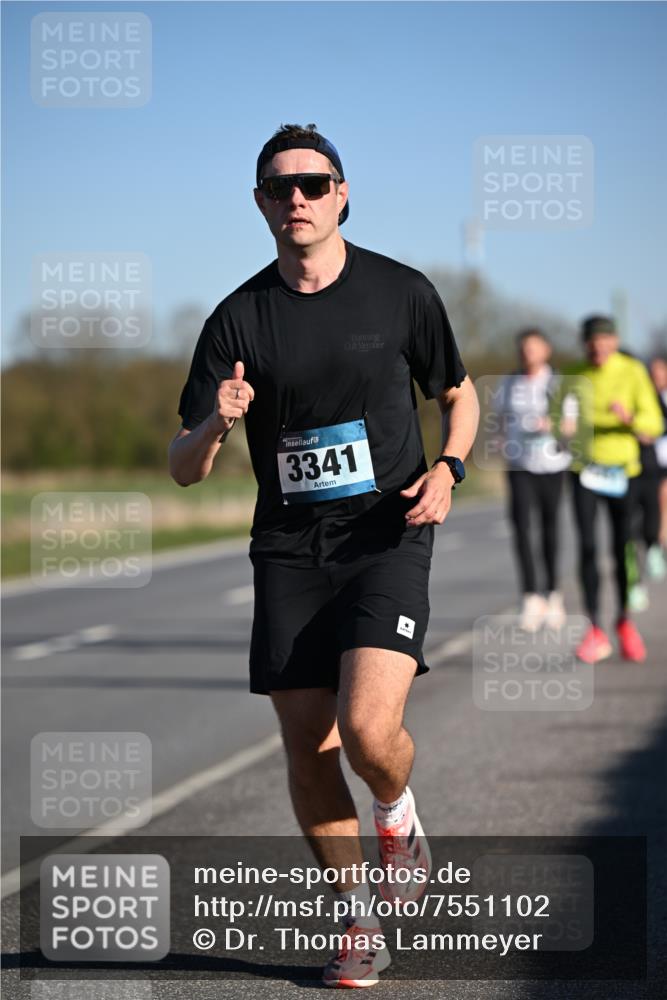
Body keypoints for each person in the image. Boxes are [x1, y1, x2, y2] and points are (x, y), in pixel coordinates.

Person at [168, 123, 479, 987]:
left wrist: (449, 468)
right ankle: (358, 917)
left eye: (313, 184)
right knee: (307, 745)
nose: (296, 200)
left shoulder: (401, 293)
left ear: (342, 192)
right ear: (261, 203)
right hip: (289, 549)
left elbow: (458, 393)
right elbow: (183, 470)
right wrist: (218, 422)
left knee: (370, 732)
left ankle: (396, 811)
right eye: (279, 188)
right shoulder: (236, 319)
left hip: (386, 535)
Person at [551, 316, 663, 663]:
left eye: (604, 341)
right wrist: (562, 428)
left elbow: (654, 423)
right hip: (585, 470)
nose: (598, 348)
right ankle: (595, 629)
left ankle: (624, 622)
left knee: (620, 548)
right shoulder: (572, 372)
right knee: (586, 546)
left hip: (622, 471)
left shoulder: (631, 371)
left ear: (614, 341)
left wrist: (628, 418)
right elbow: (555, 419)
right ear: (584, 343)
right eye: (592, 342)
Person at [493, 328, 571, 631]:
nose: (528, 353)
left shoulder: (558, 383)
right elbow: (498, 418)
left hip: (552, 463)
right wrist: (499, 439)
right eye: (523, 348)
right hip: (519, 464)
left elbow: (571, 426)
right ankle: (529, 596)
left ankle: (553, 594)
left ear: (546, 350)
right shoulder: (508, 383)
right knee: (522, 528)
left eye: (533, 348)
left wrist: (554, 425)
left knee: (550, 528)